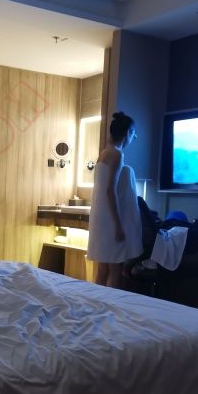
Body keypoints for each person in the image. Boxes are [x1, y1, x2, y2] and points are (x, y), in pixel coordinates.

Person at [86, 111, 143, 288]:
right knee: (115, 267)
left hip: (100, 217)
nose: (133, 138)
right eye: (133, 134)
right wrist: (118, 225)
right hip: (109, 219)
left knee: (103, 268)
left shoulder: (104, 153)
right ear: (127, 133)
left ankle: (95, 301)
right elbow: (110, 190)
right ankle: (110, 303)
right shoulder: (117, 154)